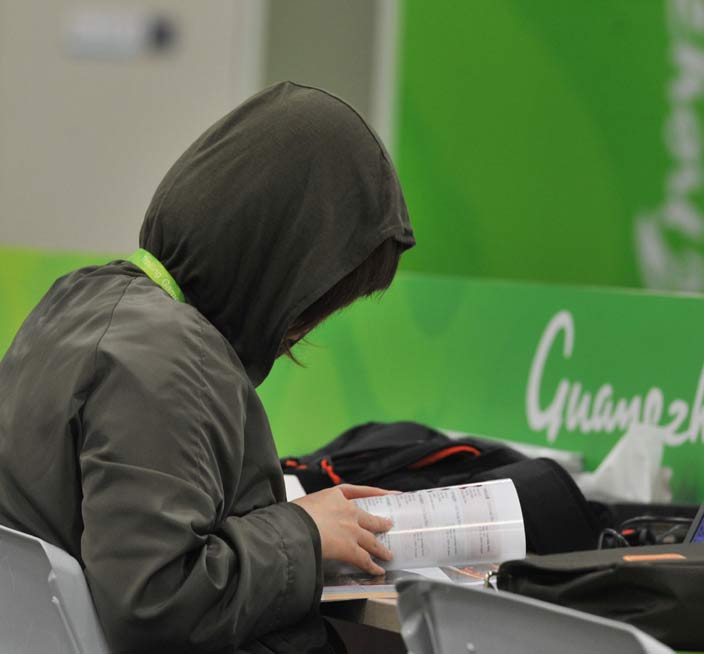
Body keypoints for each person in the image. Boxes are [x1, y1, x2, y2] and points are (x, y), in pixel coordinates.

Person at [0, 82, 415, 653]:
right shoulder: (169, 357)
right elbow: (156, 602)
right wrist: (307, 533)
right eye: (316, 300)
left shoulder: (80, 299)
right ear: (278, 261)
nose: (302, 328)